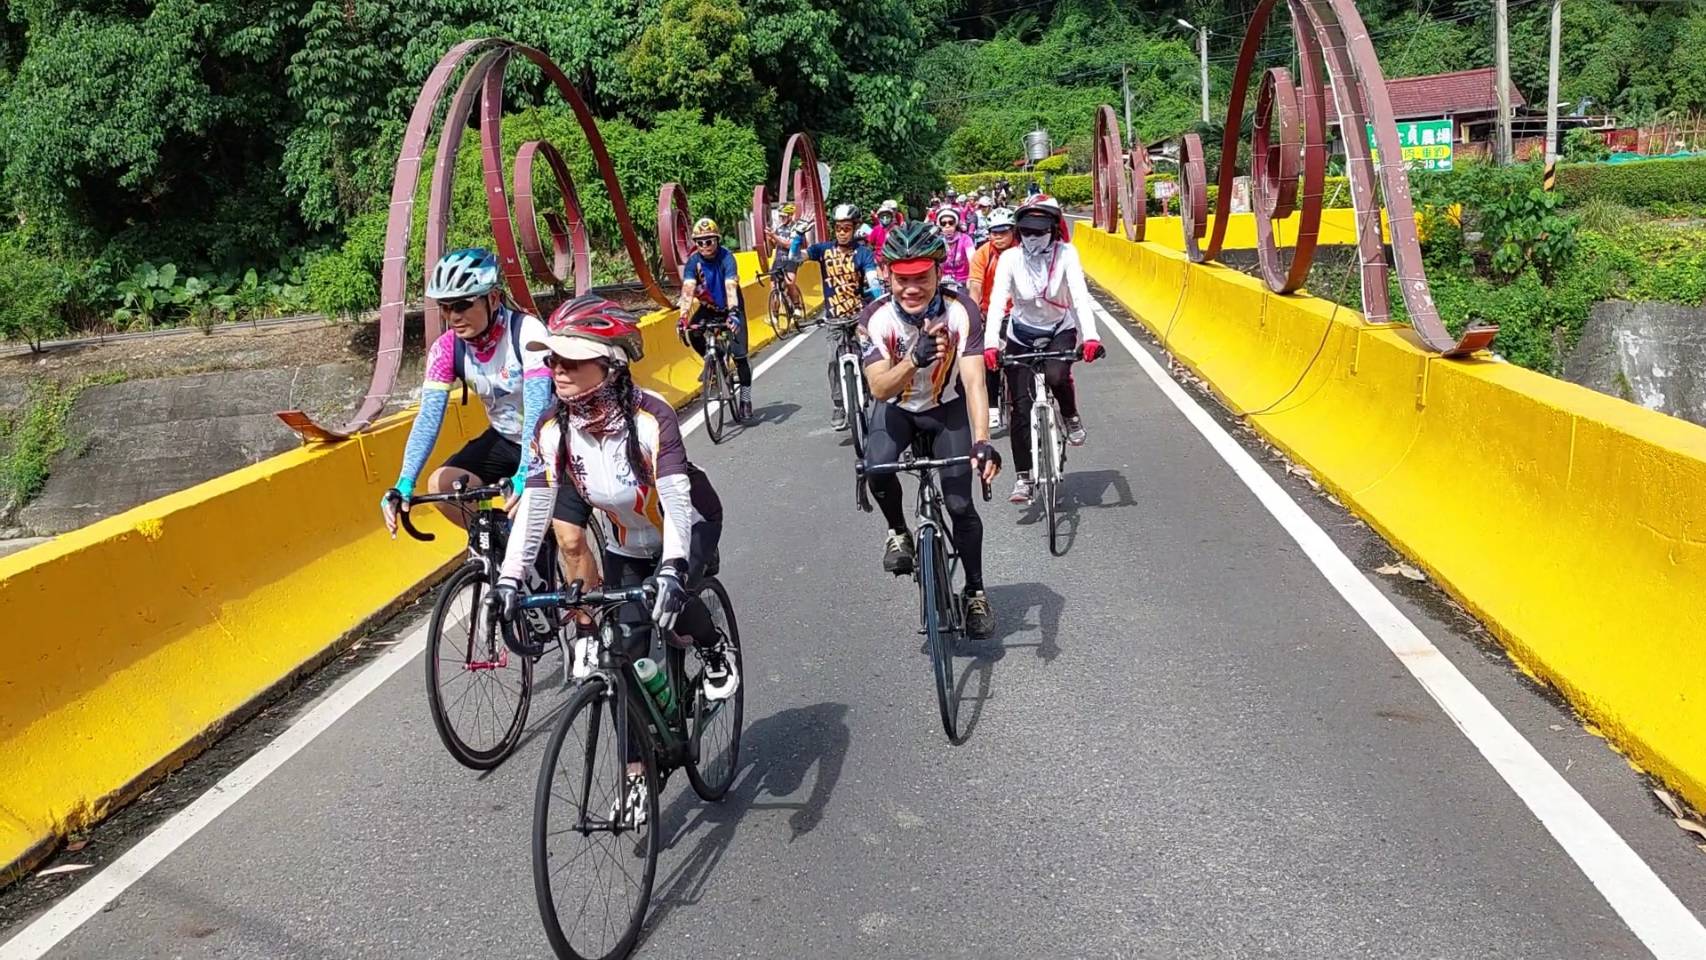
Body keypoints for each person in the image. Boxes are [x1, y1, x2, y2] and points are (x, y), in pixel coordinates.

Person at [489, 295, 735, 822]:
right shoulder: (552, 429)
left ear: (610, 362)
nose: (556, 370)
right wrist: (509, 578)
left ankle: (715, 649)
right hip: (627, 542)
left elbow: (673, 501)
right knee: (621, 657)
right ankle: (637, 776)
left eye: (570, 361)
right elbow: (536, 506)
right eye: (552, 360)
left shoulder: (653, 417)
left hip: (686, 526)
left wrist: (673, 570)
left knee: (676, 599)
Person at [380, 247, 597, 589]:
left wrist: (528, 471)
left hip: (554, 438)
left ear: (493, 298)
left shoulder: (527, 333)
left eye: (464, 304)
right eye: (446, 307)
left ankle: (587, 627)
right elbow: (428, 417)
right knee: (441, 484)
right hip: (504, 437)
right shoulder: (447, 348)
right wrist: (404, 481)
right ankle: (506, 544)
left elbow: (539, 411)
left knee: (569, 540)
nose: (454, 316)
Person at [860, 222, 1001, 639]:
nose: (912, 288)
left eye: (921, 277)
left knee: (959, 505)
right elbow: (879, 388)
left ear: (939, 273)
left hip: (946, 407)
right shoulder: (876, 318)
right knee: (876, 468)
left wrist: (982, 441)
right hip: (898, 408)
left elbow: (974, 381)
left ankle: (975, 592)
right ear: (888, 275)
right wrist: (913, 361)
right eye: (902, 279)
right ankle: (899, 532)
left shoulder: (961, 311)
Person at [982, 195, 1106, 505]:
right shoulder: (1010, 259)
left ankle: (1070, 414)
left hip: (1058, 330)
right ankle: (1023, 477)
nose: (1032, 238)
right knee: (1020, 411)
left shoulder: (1066, 254)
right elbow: (998, 301)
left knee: (1056, 373)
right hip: (1020, 333)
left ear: (1053, 229)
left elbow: (1079, 296)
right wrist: (990, 345)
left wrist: (1090, 337)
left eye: (1039, 231)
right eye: (1025, 231)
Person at [805, 203, 884, 430]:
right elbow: (795, 258)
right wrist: (799, 235)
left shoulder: (863, 253)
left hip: (859, 315)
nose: (842, 233)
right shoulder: (823, 250)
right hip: (834, 319)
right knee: (832, 360)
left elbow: (872, 279)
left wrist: (879, 300)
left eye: (846, 228)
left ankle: (876, 389)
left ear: (854, 228)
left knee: (871, 354)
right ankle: (839, 404)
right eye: (838, 228)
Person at [679, 217, 755, 420]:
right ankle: (713, 359)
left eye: (709, 241)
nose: (705, 246)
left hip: (731, 306)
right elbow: (687, 289)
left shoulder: (726, 258)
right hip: (709, 307)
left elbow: (731, 286)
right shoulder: (693, 262)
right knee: (694, 333)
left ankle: (746, 399)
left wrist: (733, 314)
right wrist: (683, 316)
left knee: (740, 356)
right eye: (700, 242)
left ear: (718, 240)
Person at [968, 207, 1017, 430]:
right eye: (993, 232)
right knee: (992, 356)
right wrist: (973, 309)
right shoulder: (983, 253)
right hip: (991, 312)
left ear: (1013, 231)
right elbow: (976, 284)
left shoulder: (1022, 251)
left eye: (1003, 232)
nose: (998, 236)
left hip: (1019, 312)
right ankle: (993, 408)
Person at [768, 202, 810, 316]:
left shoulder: (796, 228)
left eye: (784, 216)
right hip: (779, 259)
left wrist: (774, 236)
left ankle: (797, 306)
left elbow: (788, 244)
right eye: (780, 216)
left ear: (790, 215)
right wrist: (769, 239)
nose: (781, 218)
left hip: (791, 258)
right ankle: (774, 314)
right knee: (773, 288)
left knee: (789, 282)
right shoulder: (778, 228)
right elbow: (771, 247)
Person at [934, 207, 974, 287]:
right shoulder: (937, 241)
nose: (947, 226)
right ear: (940, 226)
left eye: (951, 222)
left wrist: (971, 278)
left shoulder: (965, 239)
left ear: (956, 224)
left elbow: (972, 259)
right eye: (943, 223)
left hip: (963, 281)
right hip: (942, 282)